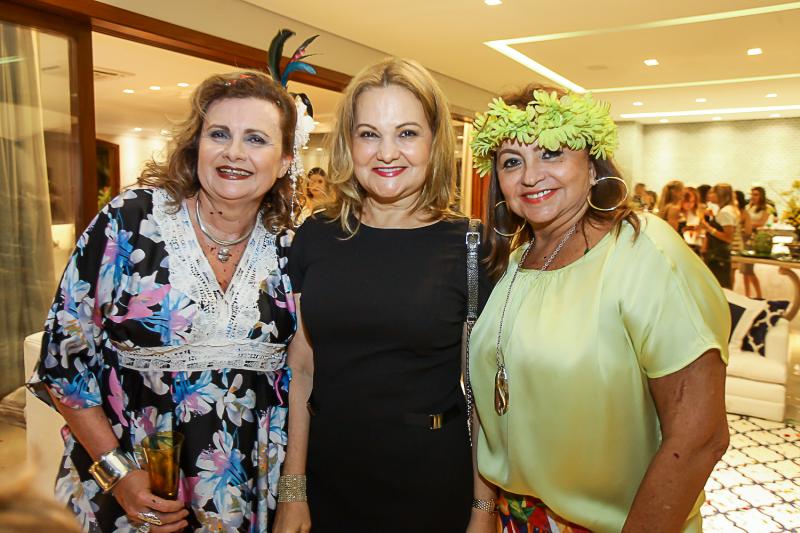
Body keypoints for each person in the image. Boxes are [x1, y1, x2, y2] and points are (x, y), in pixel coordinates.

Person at [27, 70, 303, 532]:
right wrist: (117, 474)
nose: (234, 152)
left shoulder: (292, 250)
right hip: (132, 489)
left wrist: (295, 492)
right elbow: (64, 361)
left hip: (250, 496)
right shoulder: (130, 222)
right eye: (219, 134)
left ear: (284, 161)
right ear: (196, 146)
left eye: (256, 139)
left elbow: (303, 381)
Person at [468, 85, 730, 532]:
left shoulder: (643, 251)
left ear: (592, 166)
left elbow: (700, 438)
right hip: (519, 520)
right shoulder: (517, 260)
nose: (530, 176)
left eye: (552, 152)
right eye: (512, 161)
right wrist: (485, 510)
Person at [274, 58, 494, 533]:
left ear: (435, 141)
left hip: (430, 482)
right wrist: (293, 488)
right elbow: (303, 368)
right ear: (349, 143)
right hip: (329, 474)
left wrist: (483, 508)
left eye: (407, 133)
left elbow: (480, 392)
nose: (387, 153)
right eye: (369, 134)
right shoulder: (316, 236)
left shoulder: (469, 246)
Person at [701, 183, 738, 289]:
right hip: (719, 255)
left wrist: (708, 227)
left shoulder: (725, 212)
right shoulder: (727, 209)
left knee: (720, 285)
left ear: (720, 194)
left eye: (712, 192)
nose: (709, 195)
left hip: (719, 256)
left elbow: (728, 237)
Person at [740, 186, 771, 297]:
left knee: (749, 269)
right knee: (744, 270)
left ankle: (759, 295)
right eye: (752, 194)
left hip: (755, 238)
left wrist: (748, 224)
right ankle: (747, 294)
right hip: (744, 237)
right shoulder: (748, 207)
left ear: (761, 196)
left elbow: (762, 222)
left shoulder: (766, 208)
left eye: (756, 194)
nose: (753, 197)